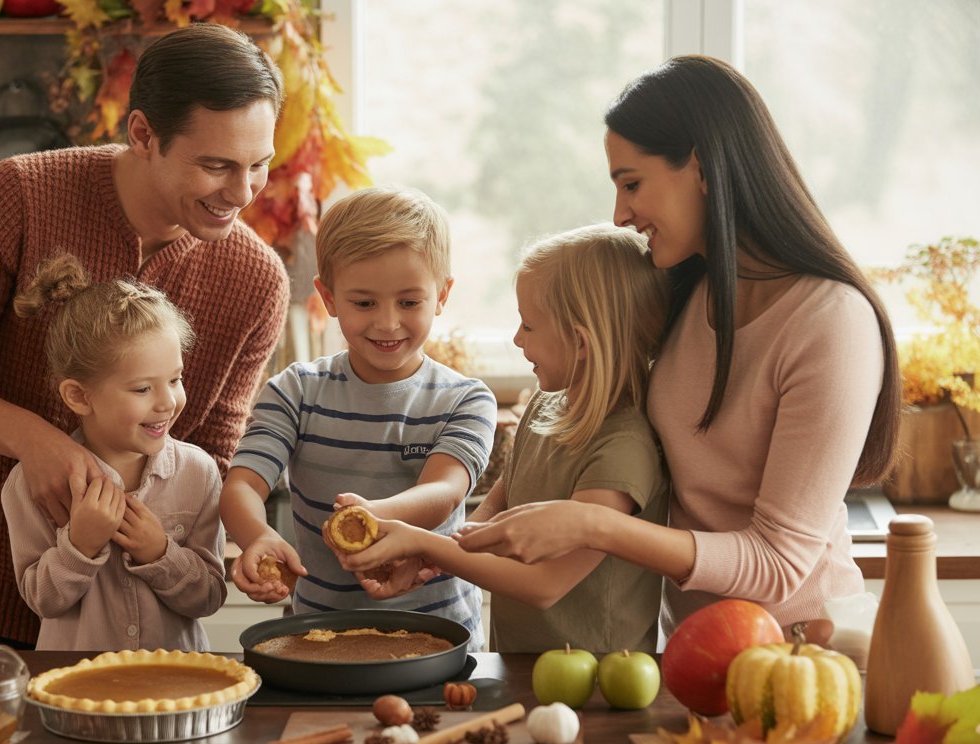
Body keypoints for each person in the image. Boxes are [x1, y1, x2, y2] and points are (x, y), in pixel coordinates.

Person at [454, 55, 902, 640]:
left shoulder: (832, 324)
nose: (619, 215)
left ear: (703, 167)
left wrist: (592, 526)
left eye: (632, 184)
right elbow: (587, 358)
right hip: (692, 649)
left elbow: (777, 564)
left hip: (801, 649)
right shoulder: (683, 291)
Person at [0, 23, 289, 649]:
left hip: (139, 632)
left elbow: (212, 455)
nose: (242, 193)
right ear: (144, 134)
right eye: (215, 165)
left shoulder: (255, 279)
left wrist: (250, 535)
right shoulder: (19, 196)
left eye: (259, 165)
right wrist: (33, 440)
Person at [338, 224, 670, 653]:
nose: (516, 338)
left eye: (528, 326)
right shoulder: (543, 407)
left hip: (599, 683)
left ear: (581, 342)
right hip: (520, 663)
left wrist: (422, 539)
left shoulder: (624, 448)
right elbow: (502, 500)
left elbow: (545, 584)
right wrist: (435, 555)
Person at [221, 185, 497, 648]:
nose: (387, 323)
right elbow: (243, 484)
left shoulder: (466, 399)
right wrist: (257, 536)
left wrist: (372, 517)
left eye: (409, 302)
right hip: (321, 638)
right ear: (328, 298)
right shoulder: (295, 391)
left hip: (442, 641)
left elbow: (444, 492)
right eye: (364, 303)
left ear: (442, 294)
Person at [1, 254, 225, 651]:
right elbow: (42, 601)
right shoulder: (31, 483)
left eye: (175, 379)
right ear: (79, 396)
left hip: (177, 690)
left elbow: (209, 598)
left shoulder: (199, 473)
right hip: (75, 690)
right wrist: (79, 546)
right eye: (142, 389)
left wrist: (160, 553)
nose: (167, 402)